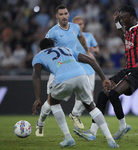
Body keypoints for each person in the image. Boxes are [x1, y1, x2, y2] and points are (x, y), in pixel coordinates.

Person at [74, 6, 138, 141]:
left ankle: (123, 126)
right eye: (120, 18)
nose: (122, 20)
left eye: (123, 17)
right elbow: (123, 38)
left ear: (131, 17)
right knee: (103, 95)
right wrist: (116, 22)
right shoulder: (129, 31)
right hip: (127, 69)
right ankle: (92, 132)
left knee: (113, 94)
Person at [32, 38, 119, 148]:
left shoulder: (39, 56)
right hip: (81, 75)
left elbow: (36, 75)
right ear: (53, 45)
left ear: (41, 49)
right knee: (91, 107)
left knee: (53, 102)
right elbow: (91, 60)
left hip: (63, 78)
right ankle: (110, 140)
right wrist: (103, 79)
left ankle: (68, 137)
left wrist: (38, 98)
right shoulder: (66, 49)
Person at [33, 4, 96, 136]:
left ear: (69, 15)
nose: (63, 16)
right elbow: (45, 49)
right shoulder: (53, 31)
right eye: (61, 14)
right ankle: (40, 123)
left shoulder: (75, 27)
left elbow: (81, 37)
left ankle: (75, 115)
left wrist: (86, 51)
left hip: (74, 66)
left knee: (86, 94)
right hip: (58, 71)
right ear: (57, 16)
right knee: (50, 102)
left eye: (65, 13)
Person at [69, 16, 100, 129]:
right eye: (77, 24)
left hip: (90, 70)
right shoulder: (70, 38)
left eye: (81, 24)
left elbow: (98, 50)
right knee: (88, 94)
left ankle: (76, 118)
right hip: (78, 69)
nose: (79, 26)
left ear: (84, 25)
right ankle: (95, 120)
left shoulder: (88, 36)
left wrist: (94, 50)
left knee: (85, 97)